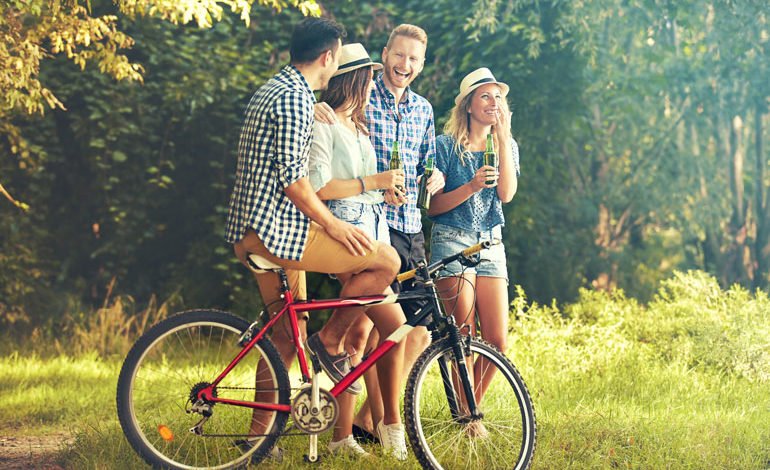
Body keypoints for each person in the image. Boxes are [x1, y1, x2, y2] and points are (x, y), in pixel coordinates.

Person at [224, 18, 408, 459]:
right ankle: (329, 344)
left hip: (253, 233)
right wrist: (334, 225)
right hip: (279, 234)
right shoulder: (293, 100)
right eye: (335, 59)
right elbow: (296, 183)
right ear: (327, 57)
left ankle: (258, 442)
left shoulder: (277, 90)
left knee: (285, 337)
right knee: (385, 262)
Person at [315, 23, 444, 447]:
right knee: (363, 332)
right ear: (385, 54)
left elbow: (425, 162)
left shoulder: (423, 110)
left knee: (414, 331)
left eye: (413, 59)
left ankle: (372, 422)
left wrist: (434, 177)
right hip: (368, 229)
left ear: (421, 65)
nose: (404, 65)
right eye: (399, 55)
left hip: (408, 229)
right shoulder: (360, 100)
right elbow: (329, 140)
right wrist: (317, 107)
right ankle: (361, 429)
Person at [306, 43, 405, 457]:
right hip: (345, 230)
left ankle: (350, 435)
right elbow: (321, 187)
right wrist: (374, 183)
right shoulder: (324, 122)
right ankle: (380, 428)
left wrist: (387, 194)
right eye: (367, 78)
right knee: (384, 330)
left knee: (372, 334)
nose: (372, 85)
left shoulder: (358, 127)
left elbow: (369, 183)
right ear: (356, 79)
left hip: (373, 225)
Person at [427, 67, 519, 436]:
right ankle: (469, 419)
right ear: (467, 105)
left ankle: (467, 409)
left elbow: (506, 195)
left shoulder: (506, 145)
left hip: (491, 242)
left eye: (497, 96)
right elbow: (432, 208)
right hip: (451, 239)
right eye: (484, 96)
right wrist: (470, 185)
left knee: (496, 340)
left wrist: (504, 135)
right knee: (461, 335)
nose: (492, 103)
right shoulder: (445, 145)